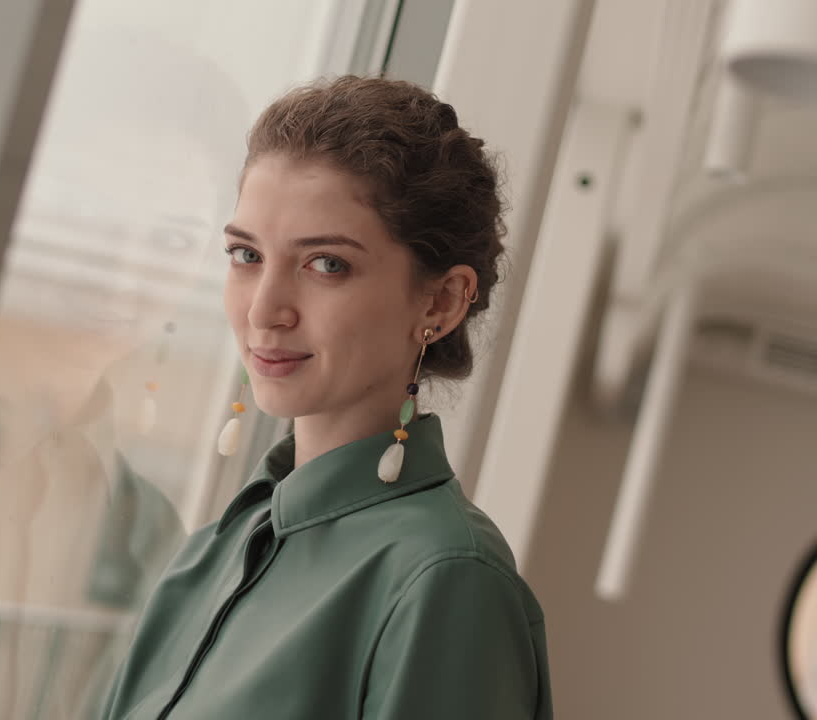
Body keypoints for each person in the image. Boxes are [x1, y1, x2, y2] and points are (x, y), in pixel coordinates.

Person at [98, 76, 552, 719]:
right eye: (245, 253)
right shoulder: (211, 552)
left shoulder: (447, 579)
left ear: (441, 300)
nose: (265, 309)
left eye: (326, 264)